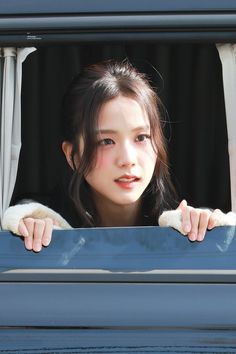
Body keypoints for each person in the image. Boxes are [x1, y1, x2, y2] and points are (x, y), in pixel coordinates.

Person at [2, 60, 234, 252]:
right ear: (72, 155)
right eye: (106, 141)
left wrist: (208, 226)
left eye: (141, 137)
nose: (127, 159)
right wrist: (28, 226)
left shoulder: (179, 227)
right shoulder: (48, 225)